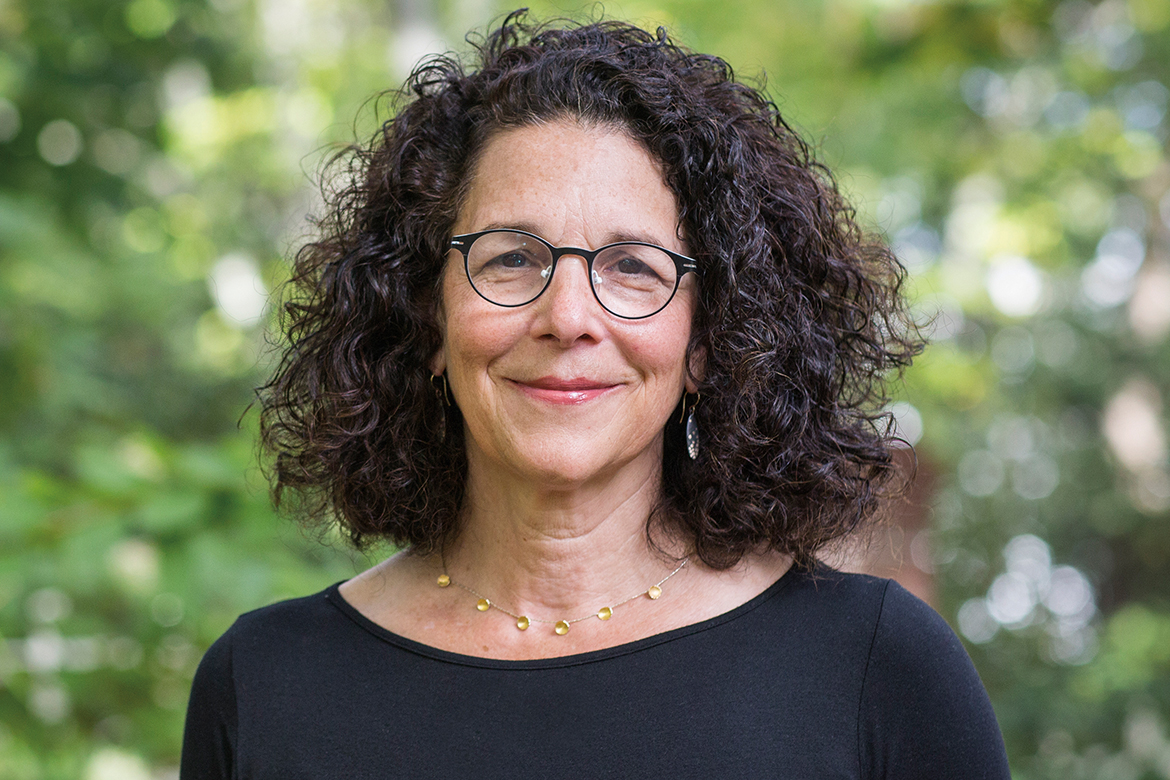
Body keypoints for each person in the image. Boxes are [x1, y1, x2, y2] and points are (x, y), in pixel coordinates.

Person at [181, 13, 1011, 779]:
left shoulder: (877, 668)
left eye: (633, 267)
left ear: (709, 342)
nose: (568, 317)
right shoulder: (264, 682)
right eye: (510, 258)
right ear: (426, 316)